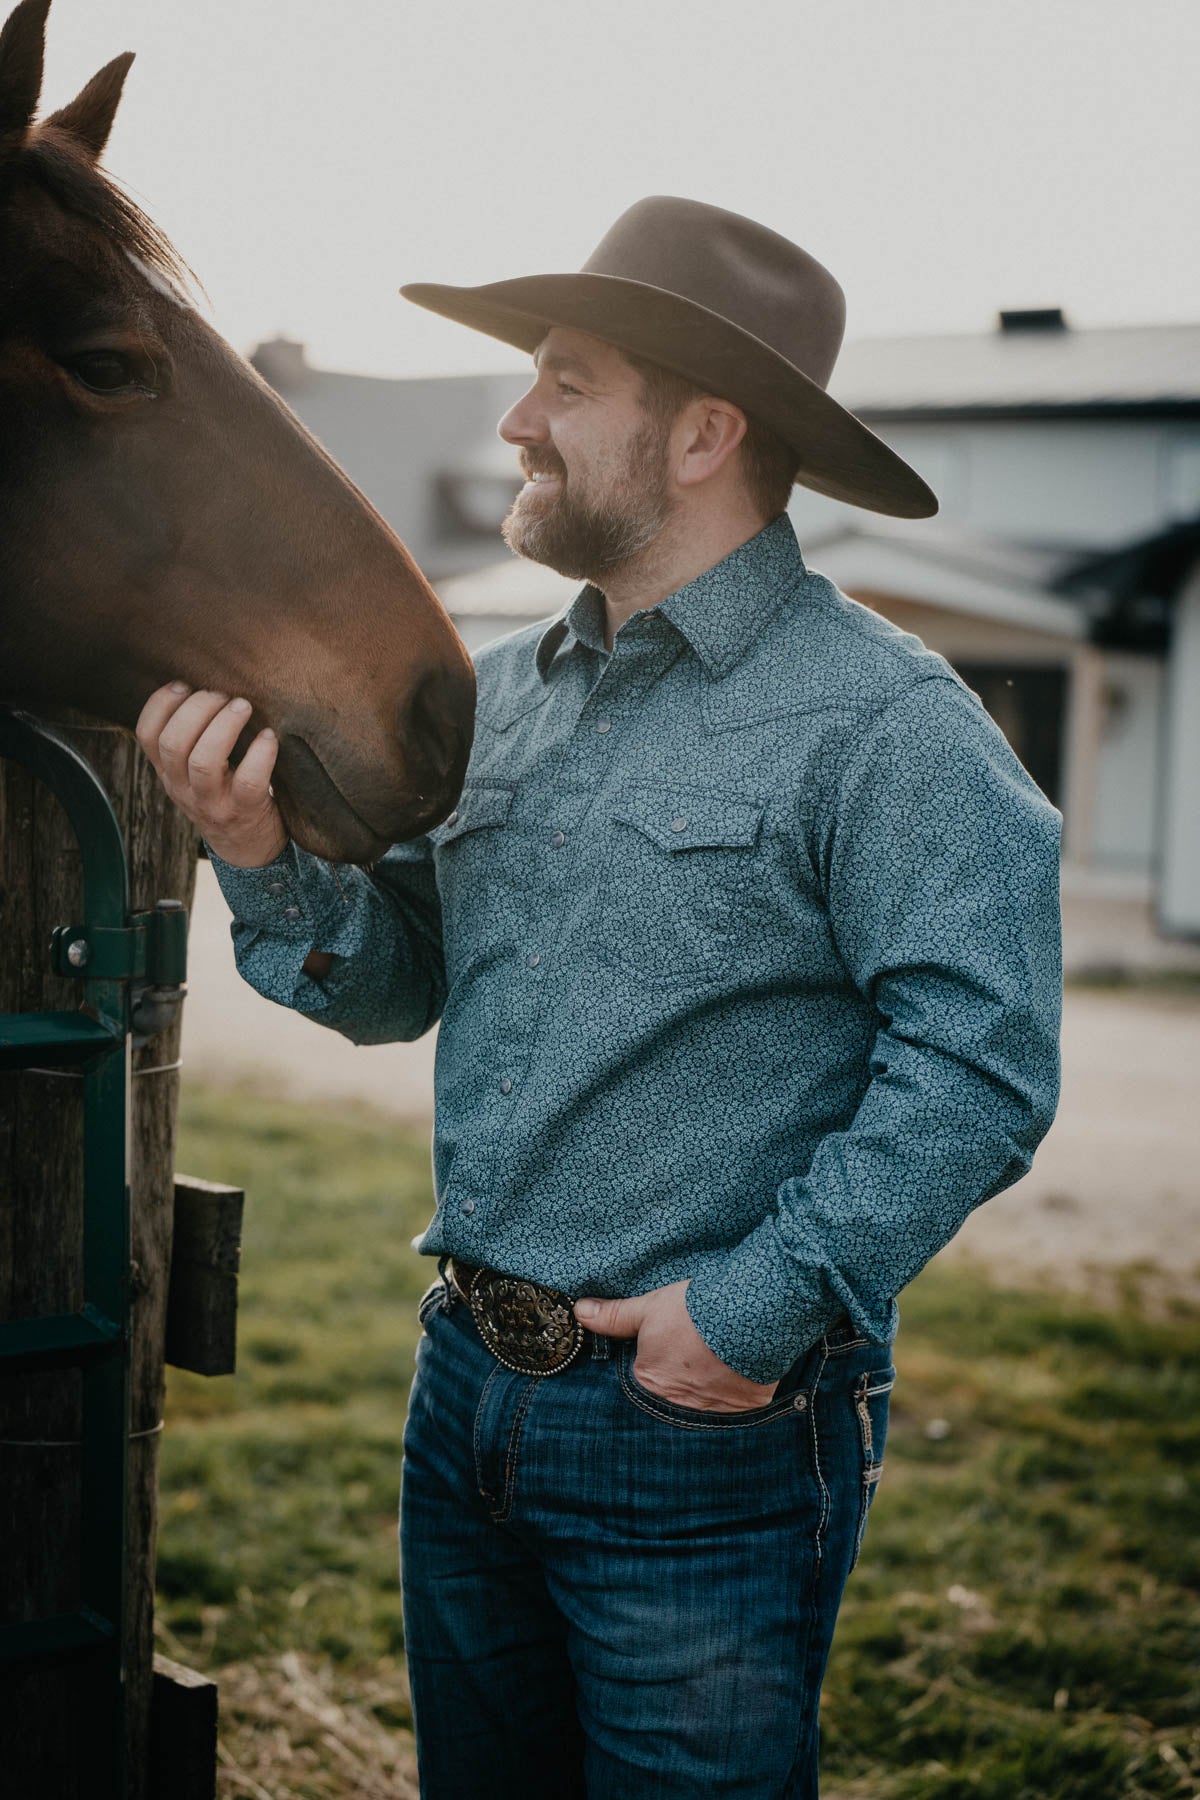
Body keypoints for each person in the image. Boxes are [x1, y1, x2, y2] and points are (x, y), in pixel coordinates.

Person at [137, 197, 1062, 1799]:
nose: (515, 418)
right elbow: (396, 984)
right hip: (464, 1398)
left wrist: (749, 1316)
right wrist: (259, 849)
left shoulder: (885, 724)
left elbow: (982, 1066)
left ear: (705, 431)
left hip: (703, 1428)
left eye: (565, 380)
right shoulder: (494, 700)